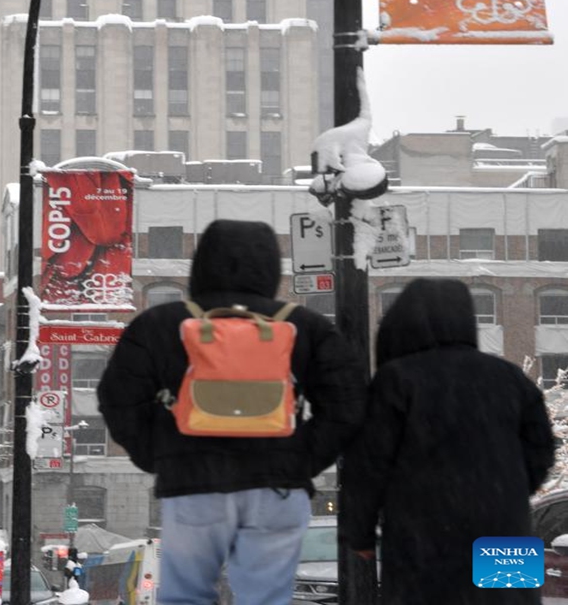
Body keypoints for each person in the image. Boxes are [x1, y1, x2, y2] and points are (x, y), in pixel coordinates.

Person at [97, 218, 367, 605]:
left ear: (201, 262)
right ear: (273, 266)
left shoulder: (163, 323)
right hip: (277, 487)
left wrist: (162, 451)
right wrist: (300, 458)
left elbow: (118, 398)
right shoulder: (305, 326)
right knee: (266, 599)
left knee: (186, 597)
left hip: (193, 484)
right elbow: (348, 404)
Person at [342, 277, 556, 605]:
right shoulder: (509, 377)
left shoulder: (398, 379)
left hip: (424, 533)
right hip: (504, 527)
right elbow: (541, 448)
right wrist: (506, 489)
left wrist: (360, 532)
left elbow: (369, 463)